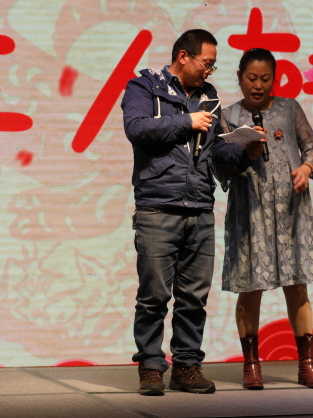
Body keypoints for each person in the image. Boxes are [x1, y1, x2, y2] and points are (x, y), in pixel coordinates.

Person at [121, 29, 248, 396]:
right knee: (153, 296)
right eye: (206, 63)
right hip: (158, 207)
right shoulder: (145, 86)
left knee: (194, 298)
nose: (209, 71)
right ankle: (150, 367)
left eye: (213, 66)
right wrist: (186, 121)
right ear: (183, 56)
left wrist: (244, 150)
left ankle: (187, 366)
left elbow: (214, 152)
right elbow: (136, 128)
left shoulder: (209, 96)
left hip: (200, 207)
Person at [215, 48, 313, 390]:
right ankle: (251, 366)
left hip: (290, 211)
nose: (258, 85)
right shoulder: (229, 115)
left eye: (265, 79)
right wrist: (241, 154)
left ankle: (307, 365)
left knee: (297, 285)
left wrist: (306, 168)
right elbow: (220, 166)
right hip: (250, 212)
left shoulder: (290, 109)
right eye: (251, 78)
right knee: (250, 287)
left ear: (274, 79)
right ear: (239, 78)